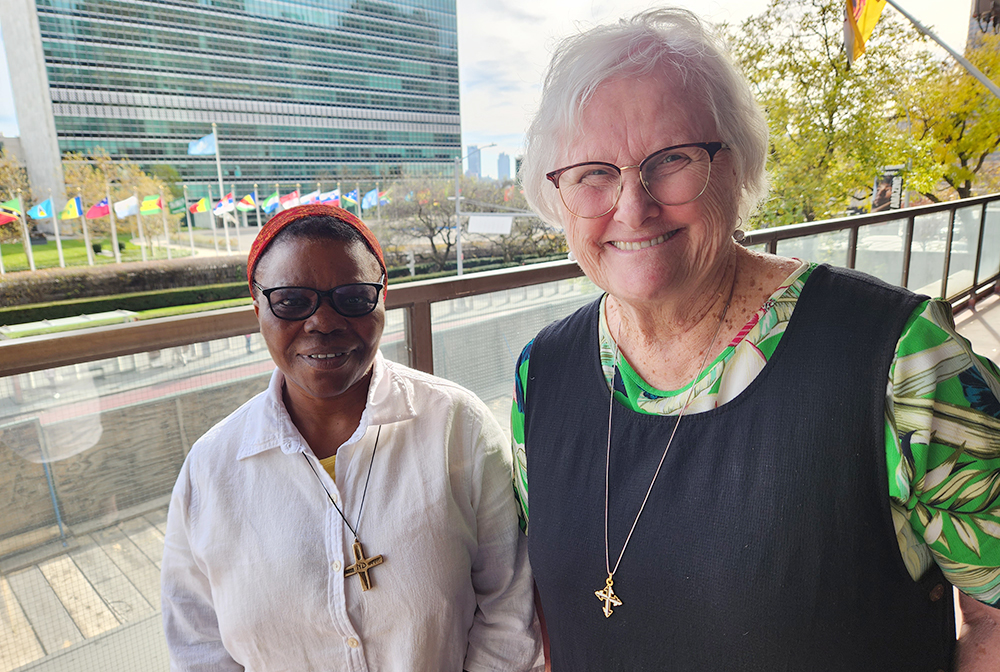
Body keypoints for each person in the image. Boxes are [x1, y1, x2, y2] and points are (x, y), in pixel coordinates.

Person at [511, 9, 1000, 671]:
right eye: (592, 173)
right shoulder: (540, 375)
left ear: (736, 167)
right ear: (557, 197)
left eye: (672, 160)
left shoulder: (901, 361)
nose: (632, 207)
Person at [162, 204, 542, 671]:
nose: (323, 322)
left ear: (383, 297)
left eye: (353, 296)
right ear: (257, 307)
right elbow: (197, 644)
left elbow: (510, 609)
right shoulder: (210, 469)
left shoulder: (456, 427)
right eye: (292, 301)